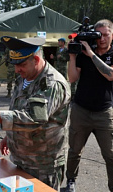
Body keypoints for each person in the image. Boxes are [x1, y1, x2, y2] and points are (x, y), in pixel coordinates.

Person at [0, 36, 71, 191]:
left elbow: (34, 118)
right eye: (14, 64)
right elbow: (19, 110)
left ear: (36, 60)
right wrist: (10, 135)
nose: (17, 69)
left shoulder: (52, 84)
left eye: (22, 64)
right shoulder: (24, 77)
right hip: (21, 158)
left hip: (42, 164)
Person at [65, 19, 113, 192]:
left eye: (105, 35)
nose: (102, 39)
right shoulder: (82, 54)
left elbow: (110, 75)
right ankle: (71, 181)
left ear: (112, 35)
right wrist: (72, 55)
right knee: (74, 151)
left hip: (104, 112)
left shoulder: (106, 53)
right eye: (98, 35)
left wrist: (92, 54)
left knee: (110, 155)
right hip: (81, 110)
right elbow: (72, 79)